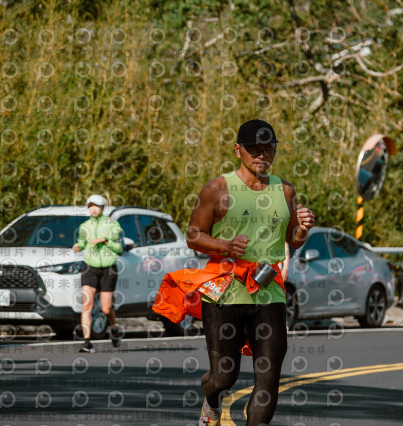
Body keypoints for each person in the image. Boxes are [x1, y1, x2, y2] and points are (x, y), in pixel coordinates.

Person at [152, 119, 315, 426]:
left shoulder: (286, 191)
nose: (262, 155)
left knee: (268, 376)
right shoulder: (217, 189)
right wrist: (225, 245)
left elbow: (293, 239)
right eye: (254, 149)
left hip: (269, 292)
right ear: (238, 150)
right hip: (224, 292)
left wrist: (304, 228)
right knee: (223, 376)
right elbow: (193, 235)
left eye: (268, 149)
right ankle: (212, 398)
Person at [72, 194, 124, 352]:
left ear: (102, 207)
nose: (93, 209)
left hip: (108, 268)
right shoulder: (84, 226)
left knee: (106, 308)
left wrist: (105, 240)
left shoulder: (112, 224)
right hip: (90, 267)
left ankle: (114, 328)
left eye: (97, 206)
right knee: (86, 306)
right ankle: (87, 342)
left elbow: (119, 248)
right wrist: (78, 246)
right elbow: (82, 242)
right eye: (90, 206)